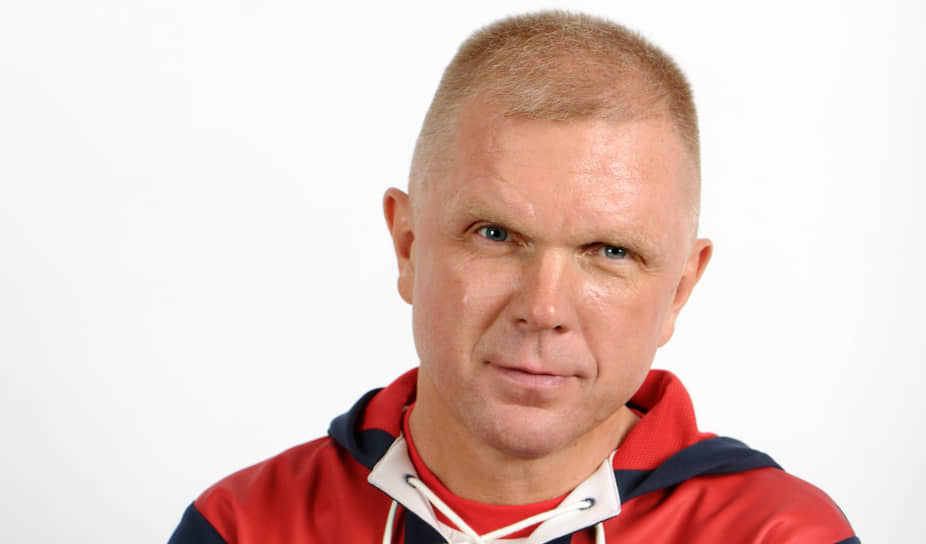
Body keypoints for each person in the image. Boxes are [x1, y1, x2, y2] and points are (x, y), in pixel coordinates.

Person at [168, 11, 859, 544]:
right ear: (408, 247)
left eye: (610, 251)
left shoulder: (781, 535)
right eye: (495, 235)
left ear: (680, 290)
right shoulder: (241, 527)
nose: (544, 307)